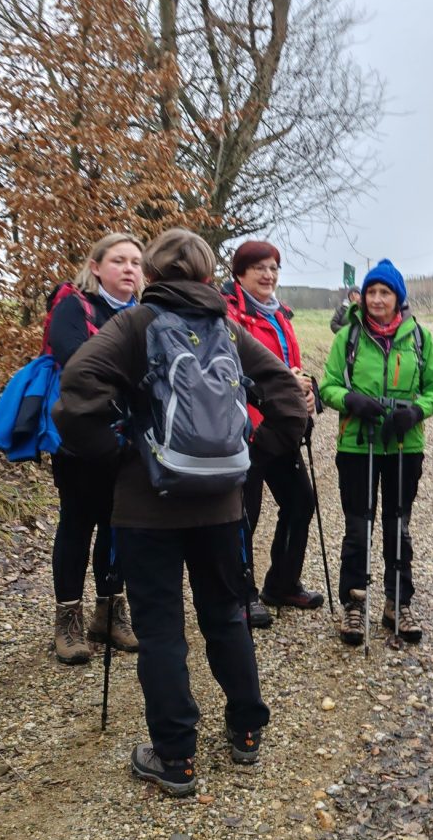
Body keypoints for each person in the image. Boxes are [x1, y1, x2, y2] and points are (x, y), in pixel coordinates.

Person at [54, 228, 308, 796]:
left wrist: (119, 455)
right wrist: (251, 461)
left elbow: (74, 393)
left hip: (147, 508)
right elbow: (289, 403)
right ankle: (246, 730)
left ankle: (176, 759)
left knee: (162, 631)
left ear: (153, 274)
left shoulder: (133, 326)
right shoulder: (228, 327)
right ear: (204, 273)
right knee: (226, 614)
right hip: (221, 504)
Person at [319, 259, 433, 647]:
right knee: (359, 527)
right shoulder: (349, 337)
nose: (377, 299)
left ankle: (397, 602)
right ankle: (355, 603)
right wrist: (351, 400)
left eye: (385, 292)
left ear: (398, 298)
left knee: (398, 525)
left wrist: (416, 411)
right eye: (372, 291)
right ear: (363, 296)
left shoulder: (420, 338)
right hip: (357, 445)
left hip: (404, 446)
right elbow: (327, 386)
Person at [46, 233, 144, 665]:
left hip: (128, 435)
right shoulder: (74, 306)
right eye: (119, 260)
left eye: (136, 263)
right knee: (77, 522)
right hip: (81, 438)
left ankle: (110, 610)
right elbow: (76, 361)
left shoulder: (144, 313)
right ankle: (67, 618)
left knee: (118, 522)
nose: (129, 269)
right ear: (96, 266)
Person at [223, 240, 321, 629]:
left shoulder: (280, 315)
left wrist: (307, 391)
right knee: (244, 515)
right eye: (259, 268)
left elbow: (290, 367)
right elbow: (228, 372)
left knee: (301, 503)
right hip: (246, 429)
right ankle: (240, 594)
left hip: (280, 428)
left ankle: (281, 583)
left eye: (274, 269)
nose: (268, 275)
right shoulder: (228, 314)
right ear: (240, 273)